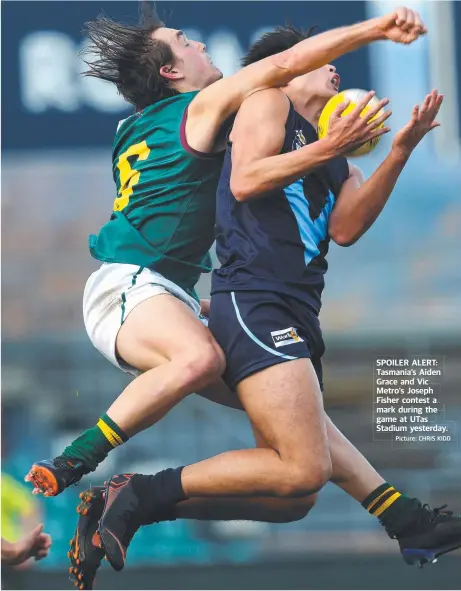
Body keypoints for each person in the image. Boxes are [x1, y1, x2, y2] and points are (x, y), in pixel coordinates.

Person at [86, 25, 460, 581]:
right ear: (290, 69)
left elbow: (348, 227)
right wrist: (330, 139)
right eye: (324, 63)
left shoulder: (337, 160)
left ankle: (404, 520)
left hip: (298, 311)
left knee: (294, 490)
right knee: (307, 465)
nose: (336, 71)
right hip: (254, 301)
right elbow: (245, 181)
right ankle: (136, 491)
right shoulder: (267, 103)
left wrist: (400, 149)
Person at [25, 5, 427, 498]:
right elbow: (283, 66)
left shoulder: (143, 126)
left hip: (163, 293)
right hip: (130, 285)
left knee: (296, 426)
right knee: (199, 360)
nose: (200, 44)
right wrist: (375, 28)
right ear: (171, 71)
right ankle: (77, 461)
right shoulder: (199, 108)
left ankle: (401, 516)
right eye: (186, 41)